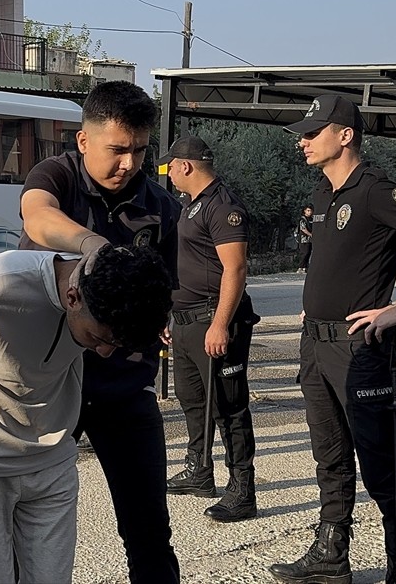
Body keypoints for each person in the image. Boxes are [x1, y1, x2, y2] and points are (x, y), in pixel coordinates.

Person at [268, 95, 396, 584]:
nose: (304, 141)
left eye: (313, 132)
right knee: (329, 456)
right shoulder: (322, 192)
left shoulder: (375, 190)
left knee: (379, 465)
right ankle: (331, 556)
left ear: (345, 135)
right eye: (303, 134)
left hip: (358, 348)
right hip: (316, 343)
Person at [0, 245, 174, 584]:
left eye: (115, 344)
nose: (104, 351)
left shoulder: (109, 290)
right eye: (97, 338)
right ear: (73, 297)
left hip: (52, 459)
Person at [19, 79, 182, 582]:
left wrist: (167, 316)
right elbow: (37, 216)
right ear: (84, 140)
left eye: (138, 151)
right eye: (116, 150)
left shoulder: (160, 207)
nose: (128, 164)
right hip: (45, 388)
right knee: (25, 527)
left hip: (123, 390)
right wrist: (93, 245)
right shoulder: (58, 177)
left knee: (149, 531)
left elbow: (167, 288)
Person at [159, 135, 261, 523]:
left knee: (228, 407)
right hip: (186, 322)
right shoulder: (190, 205)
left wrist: (220, 324)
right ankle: (200, 469)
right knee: (193, 401)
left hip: (213, 321)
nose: (167, 174)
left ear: (185, 166)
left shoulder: (223, 207)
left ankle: (242, 489)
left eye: (170, 167)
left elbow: (235, 269)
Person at [297, 205, 314, 272]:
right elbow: (303, 229)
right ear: (305, 211)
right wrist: (311, 234)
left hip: (310, 240)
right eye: (308, 211)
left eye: (310, 211)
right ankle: (300, 267)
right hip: (303, 239)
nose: (309, 212)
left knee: (308, 253)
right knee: (304, 253)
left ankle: (305, 267)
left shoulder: (311, 219)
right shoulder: (302, 219)